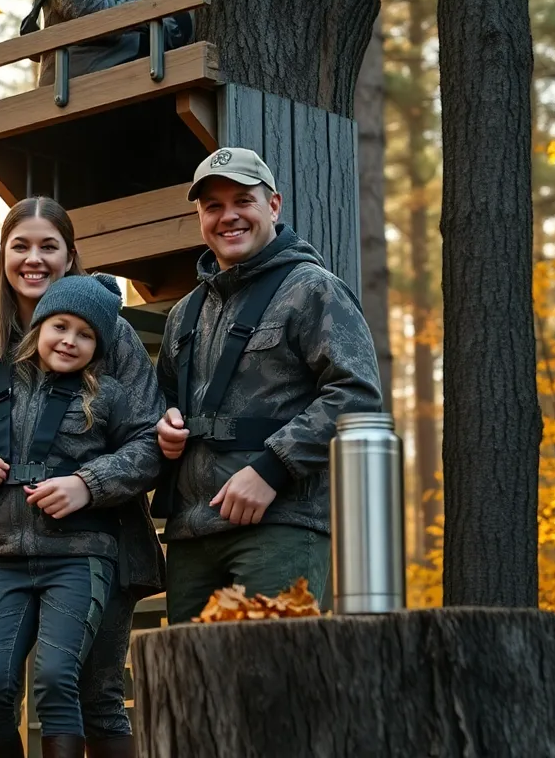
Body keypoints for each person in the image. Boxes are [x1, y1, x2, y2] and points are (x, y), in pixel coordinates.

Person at [0, 197, 166, 758]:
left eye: (48, 246)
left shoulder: (113, 339)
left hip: (94, 548)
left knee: (93, 691)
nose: (34, 259)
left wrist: (90, 483)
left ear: (70, 255)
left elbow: (150, 439)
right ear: (3, 254)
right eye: (20, 246)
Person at [152, 147, 385, 624]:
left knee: (273, 686)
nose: (228, 216)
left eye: (243, 200)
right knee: (191, 691)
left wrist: (272, 469)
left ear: (273, 205)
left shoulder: (313, 289)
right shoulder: (184, 313)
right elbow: (163, 401)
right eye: (213, 206)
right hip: (192, 535)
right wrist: (166, 424)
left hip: (279, 525)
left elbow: (356, 396)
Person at [19, 0, 194, 87]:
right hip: (76, 74)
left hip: (98, 64)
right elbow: (90, 10)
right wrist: (148, 3)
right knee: (178, 23)